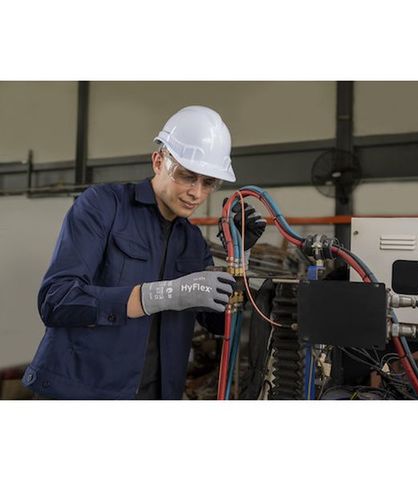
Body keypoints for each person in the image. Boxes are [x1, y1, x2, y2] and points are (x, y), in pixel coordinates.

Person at [22, 105, 266, 400]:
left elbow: (218, 321)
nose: (197, 193)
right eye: (188, 176)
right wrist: (160, 295)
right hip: (79, 393)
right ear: (158, 161)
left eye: (208, 183)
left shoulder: (192, 242)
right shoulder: (103, 207)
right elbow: (56, 300)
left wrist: (240, 253)